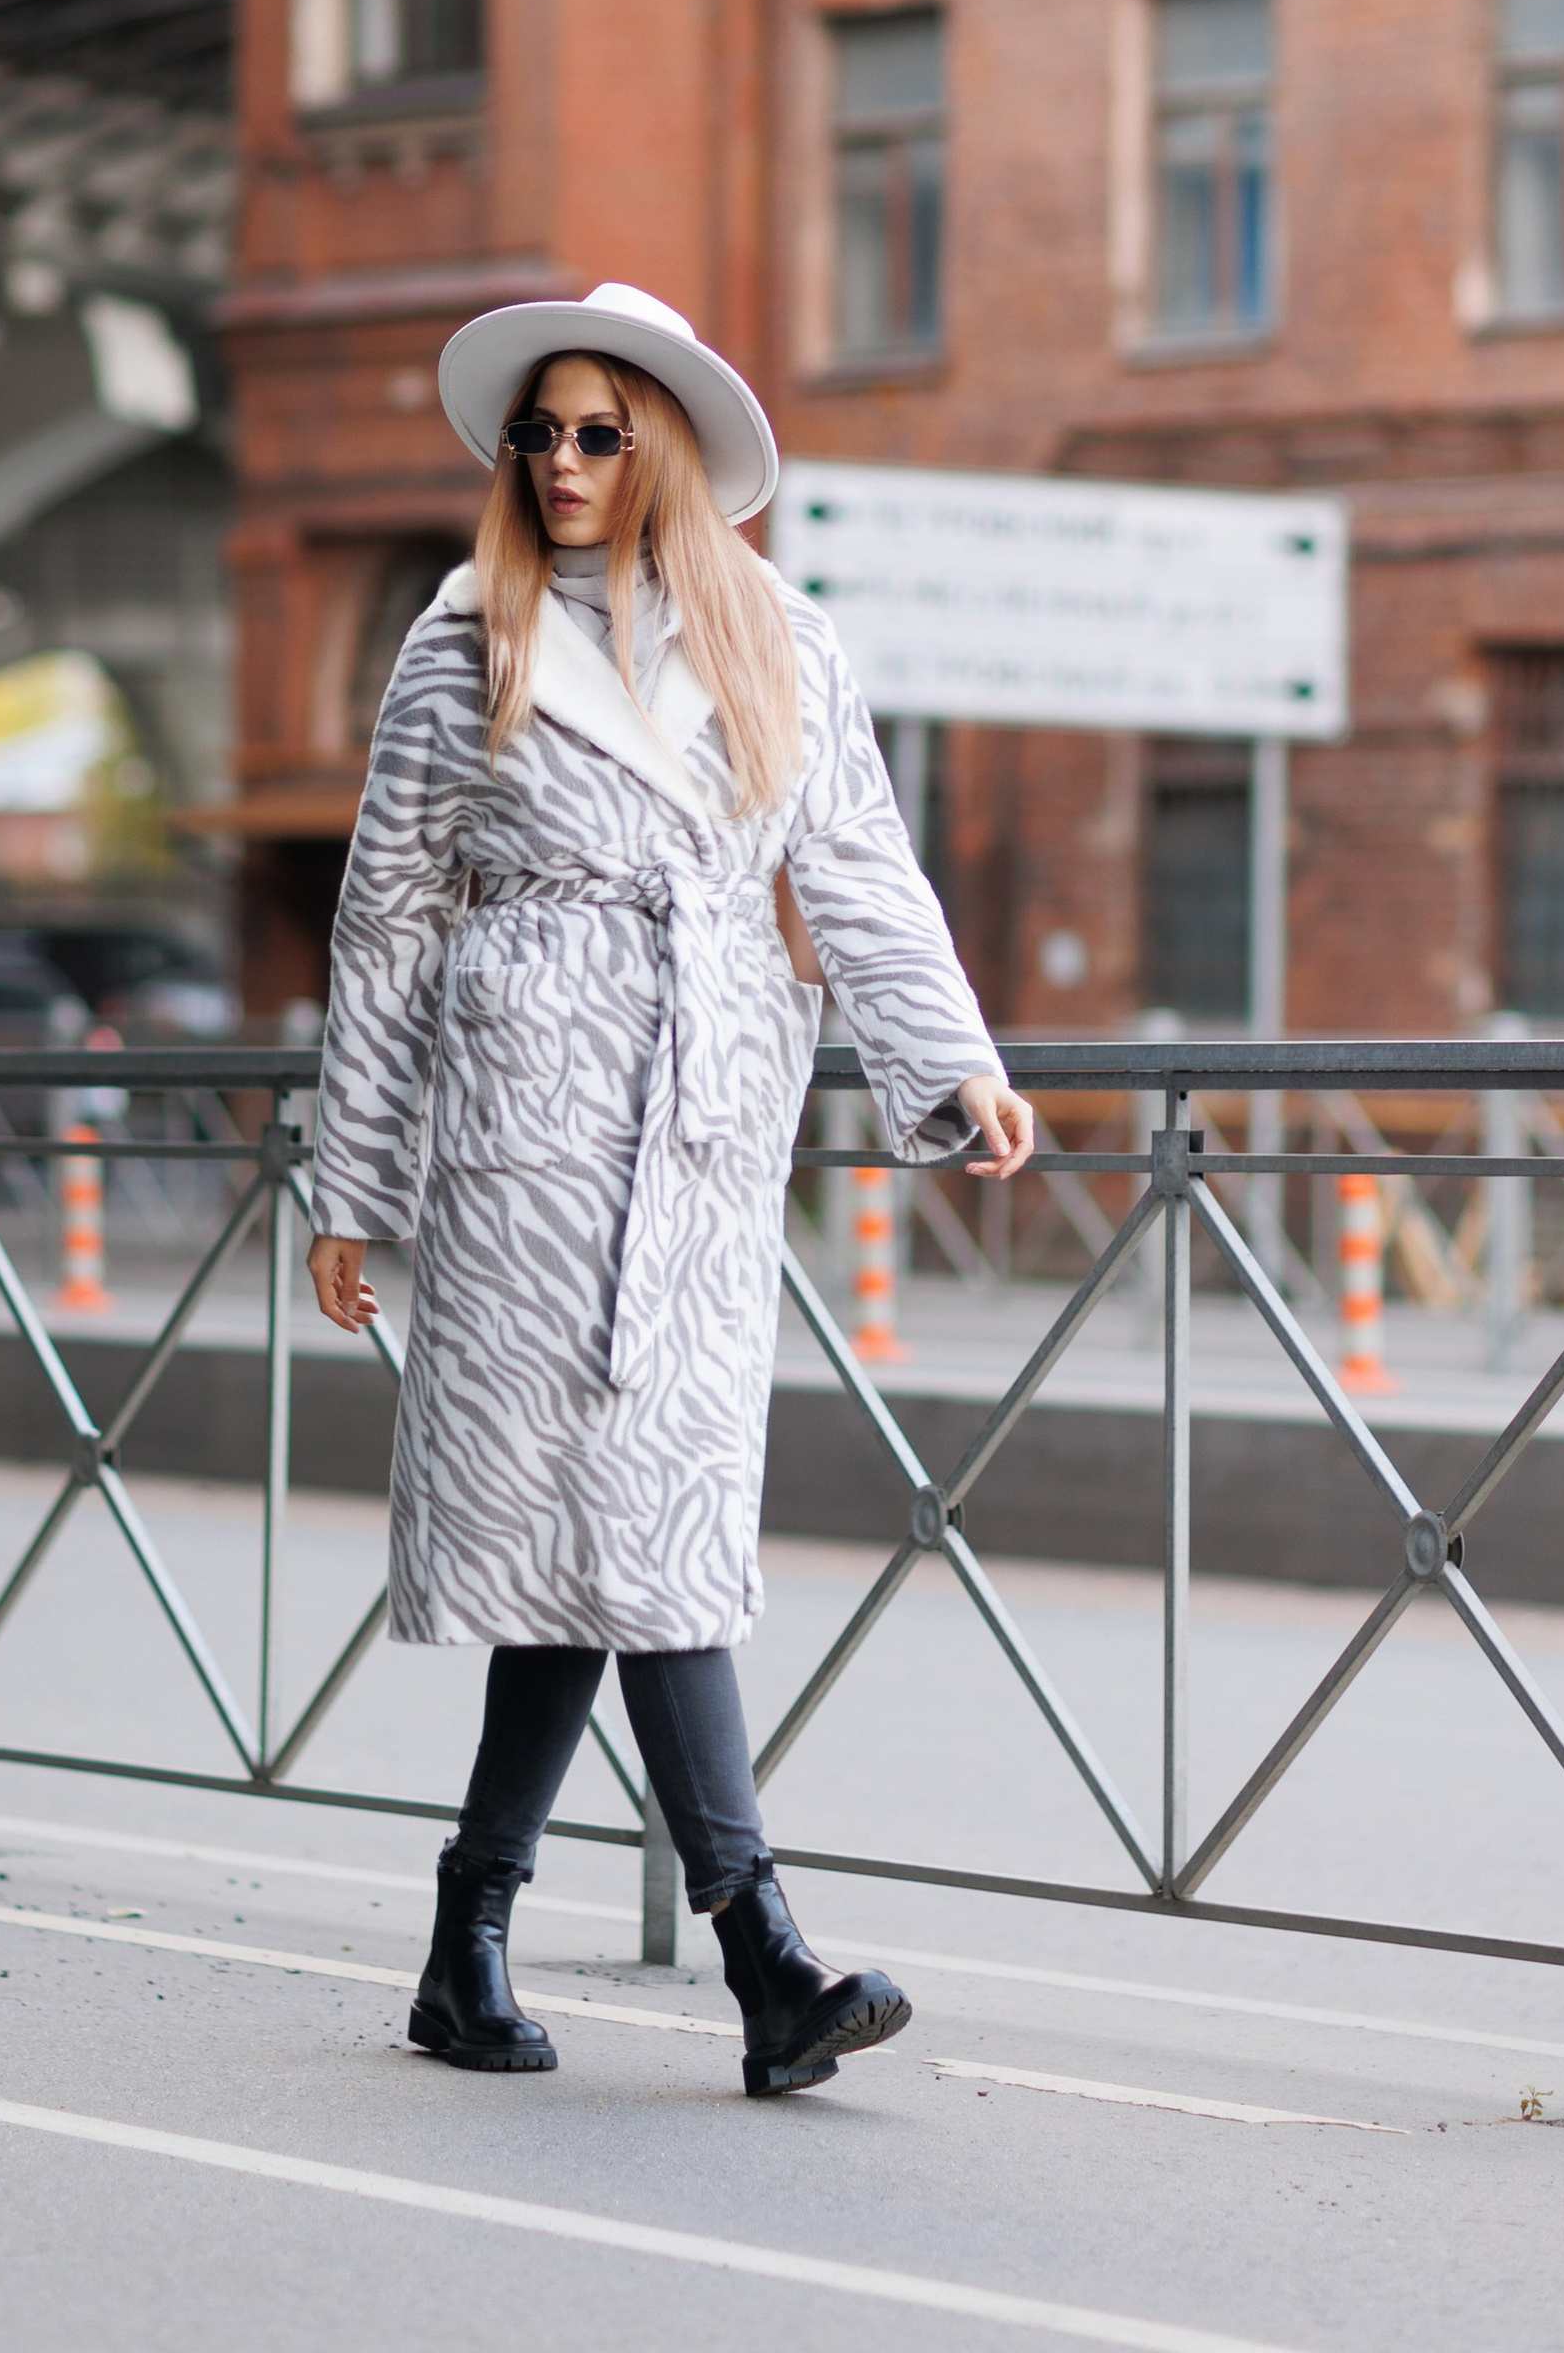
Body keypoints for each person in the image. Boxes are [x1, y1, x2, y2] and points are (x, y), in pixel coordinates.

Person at [308, 279, 1033, 2100]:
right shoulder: (461, 641)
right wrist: (353, 1181)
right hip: (528, 1138)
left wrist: (954, 1057)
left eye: (597, 433)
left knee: (630, 1536)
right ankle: (762, 1956)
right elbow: (385, 923)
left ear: (670, 451)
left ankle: (471, 1944)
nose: (558, 462)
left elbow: (856, 863)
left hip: (707, 1124)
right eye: (536, 433)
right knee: (627, 1536)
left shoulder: (782, 640)